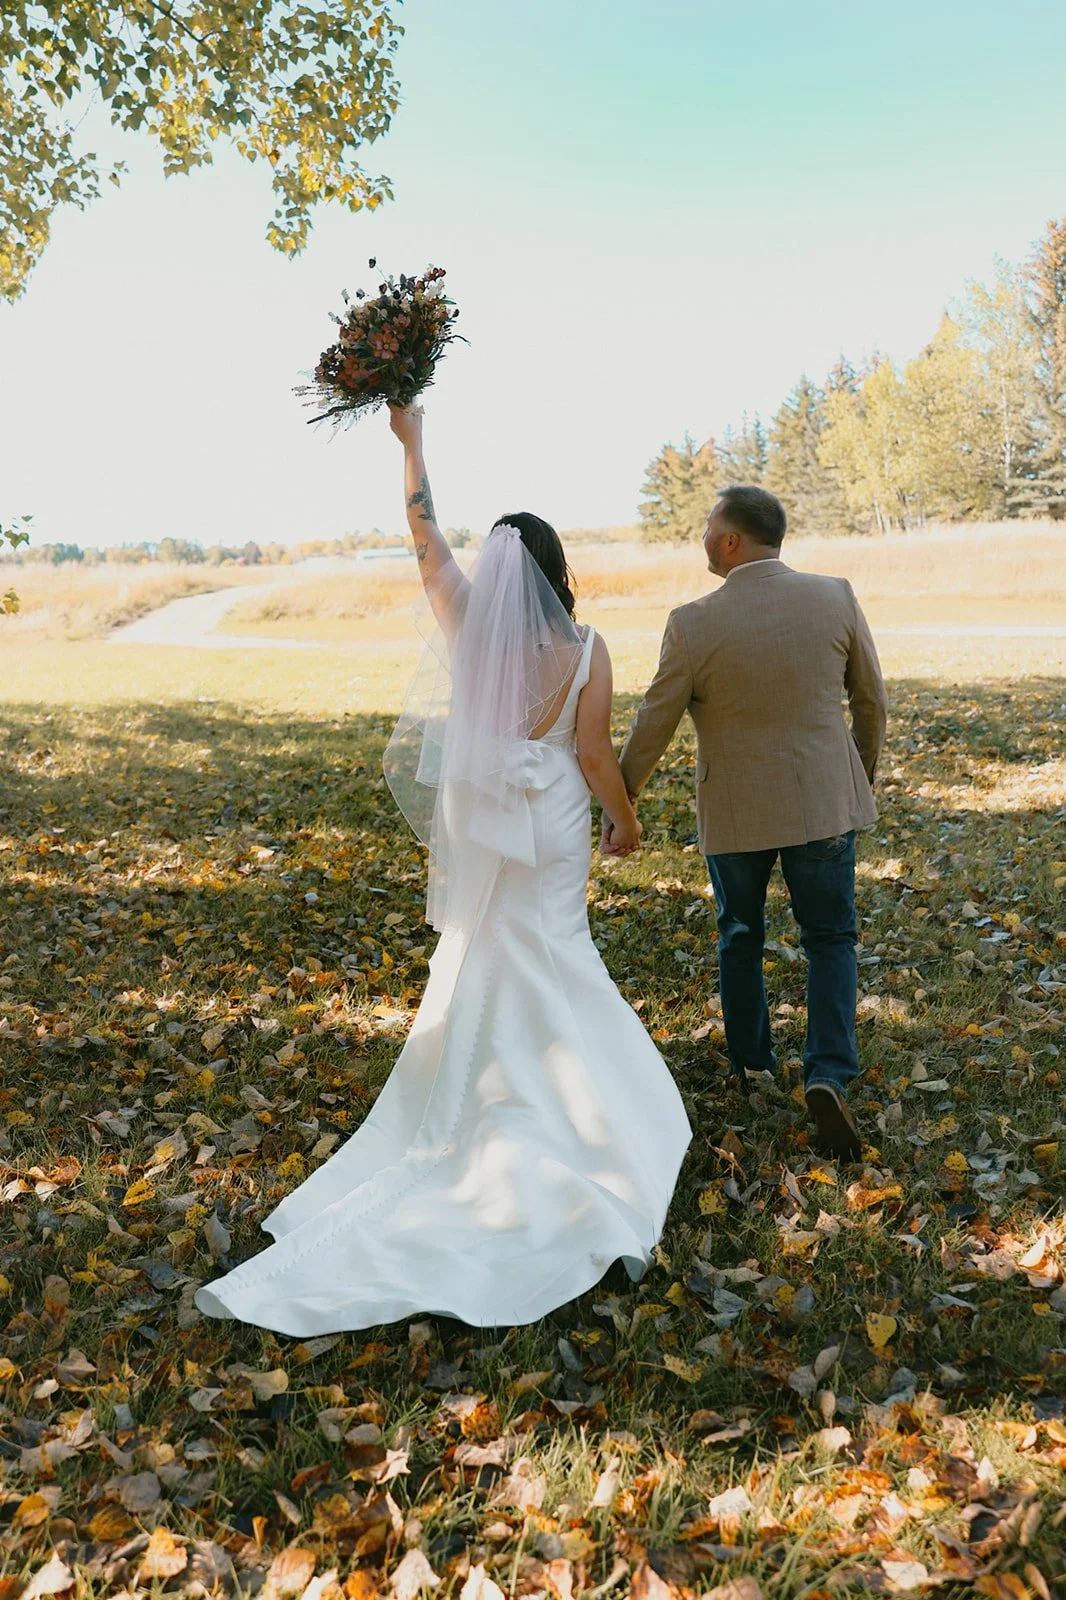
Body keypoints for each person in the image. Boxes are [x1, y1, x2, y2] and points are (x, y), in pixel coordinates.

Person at [194, 405, 690, 1335]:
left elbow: (424, 537)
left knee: (486, 950)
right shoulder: (586, 649)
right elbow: (592, 755)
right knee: (557, 945)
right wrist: (626, 822)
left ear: (500, 577)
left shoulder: (469, 625)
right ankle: (585, 1118)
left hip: (487, 823)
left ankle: (495, 1096)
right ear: (558, 574)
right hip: (548, 825)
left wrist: (411, 444)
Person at [612, 486, 888, 1161]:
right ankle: (827, 1073)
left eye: (709, 528)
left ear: (732, 540)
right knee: (831, 938)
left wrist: (617, 802)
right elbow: (872, 701)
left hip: (735, 813)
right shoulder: (836, 596)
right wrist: (855, 777)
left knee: (740, 934)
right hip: (822, 802)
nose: (703, 539)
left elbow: (654, 723)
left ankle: (754, 1063)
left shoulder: (692, 622)